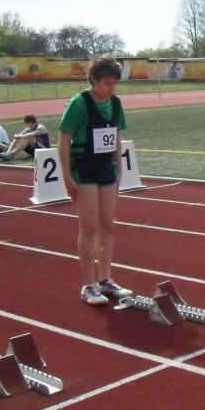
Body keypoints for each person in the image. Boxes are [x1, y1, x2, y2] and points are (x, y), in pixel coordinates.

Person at [58, 57, 132, 305]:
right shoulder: (79, 103)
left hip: (106, 169)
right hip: (84, 168)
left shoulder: (116, 103)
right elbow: (63, 141)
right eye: (107, 83)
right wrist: (67, 176)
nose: (112, 88)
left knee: (107, 225)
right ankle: (88, 285)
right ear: (93, 80)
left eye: (115, 83)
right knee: (89, 227)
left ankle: (105, 279)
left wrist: (119, 169)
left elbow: (117, 137)